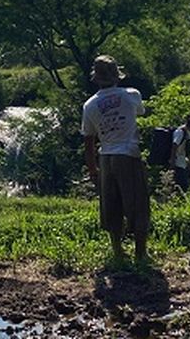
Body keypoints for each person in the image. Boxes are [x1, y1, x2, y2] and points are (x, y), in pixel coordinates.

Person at [82, 55, 150, 262]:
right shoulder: (132, 95)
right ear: (117, 75)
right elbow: (141, 112)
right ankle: (140, 253)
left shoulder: (90, 105)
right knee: (137, 203)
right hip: (128, 154)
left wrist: (92, 169)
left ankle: (118, 250)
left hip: (105, 157)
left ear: (96, 78)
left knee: (111, 204)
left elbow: (89, 141)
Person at [171, 113, 190, 191]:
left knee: (182, 187)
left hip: (182, 164)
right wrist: (172, 162)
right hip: (177, 164)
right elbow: (174, 145)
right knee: (181, 187)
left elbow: (188, 152)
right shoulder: (180, 131)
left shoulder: (188, 133)